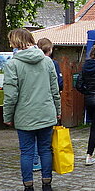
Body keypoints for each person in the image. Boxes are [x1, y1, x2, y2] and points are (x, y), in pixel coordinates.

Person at [3, 28, 61, 191]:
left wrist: (7, 116)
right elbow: (54, 90)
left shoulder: (12, 64)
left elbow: (11, 95)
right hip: (46, 112)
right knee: (45, 149)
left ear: (15, 42)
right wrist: (57, 111)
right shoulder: (47, 62)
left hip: (24, 114)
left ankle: (28, 188)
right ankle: (47, 185)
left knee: (27, 152)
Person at [33, 38, 63, 172]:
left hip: (31, 103)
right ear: (50, 50)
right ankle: (45, 169)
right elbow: (58, 84)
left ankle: (34, 161)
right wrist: (58, 109)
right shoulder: (52, 63)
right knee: (45, 139)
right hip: (47, 102)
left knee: (31, 135)